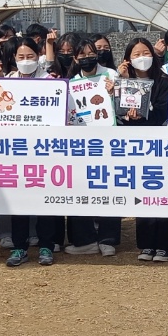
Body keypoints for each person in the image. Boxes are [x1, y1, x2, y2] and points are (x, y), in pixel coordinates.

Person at [0, 36, 61, 267]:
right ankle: (19, 248)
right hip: (15, 151)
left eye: (31, 56)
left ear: (39, 57)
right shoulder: (5, 83)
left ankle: (46, 246)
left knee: (45, 201)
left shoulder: (51, 83)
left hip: (45, 151)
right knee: (19, 202)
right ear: (14, 59)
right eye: (21, 57)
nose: (26, 61)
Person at [118, 37, 168, 261]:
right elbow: (120, 112)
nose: (142, 58)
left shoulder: (164, 80)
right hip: (135, 145)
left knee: (163, 194)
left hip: (160, 143)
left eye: (146, 53)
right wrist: (124, 81)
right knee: (142, 194)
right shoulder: (122, 81)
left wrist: (145, 109)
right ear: (128, 59)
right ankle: (146, 245)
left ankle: (165, 244)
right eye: (136, 55)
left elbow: (163, 110)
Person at [66, 38, 121, 256]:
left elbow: (127, 106)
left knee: (108, 188)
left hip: (109, 142)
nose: (87, 58)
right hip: (81, 145)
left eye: (91, 54)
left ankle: (108, 239)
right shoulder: (70, 84)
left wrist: (114, 93)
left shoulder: (111, 75)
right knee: (79, 189)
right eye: (82, 56)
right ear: (75, 59)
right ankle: (84, 240)